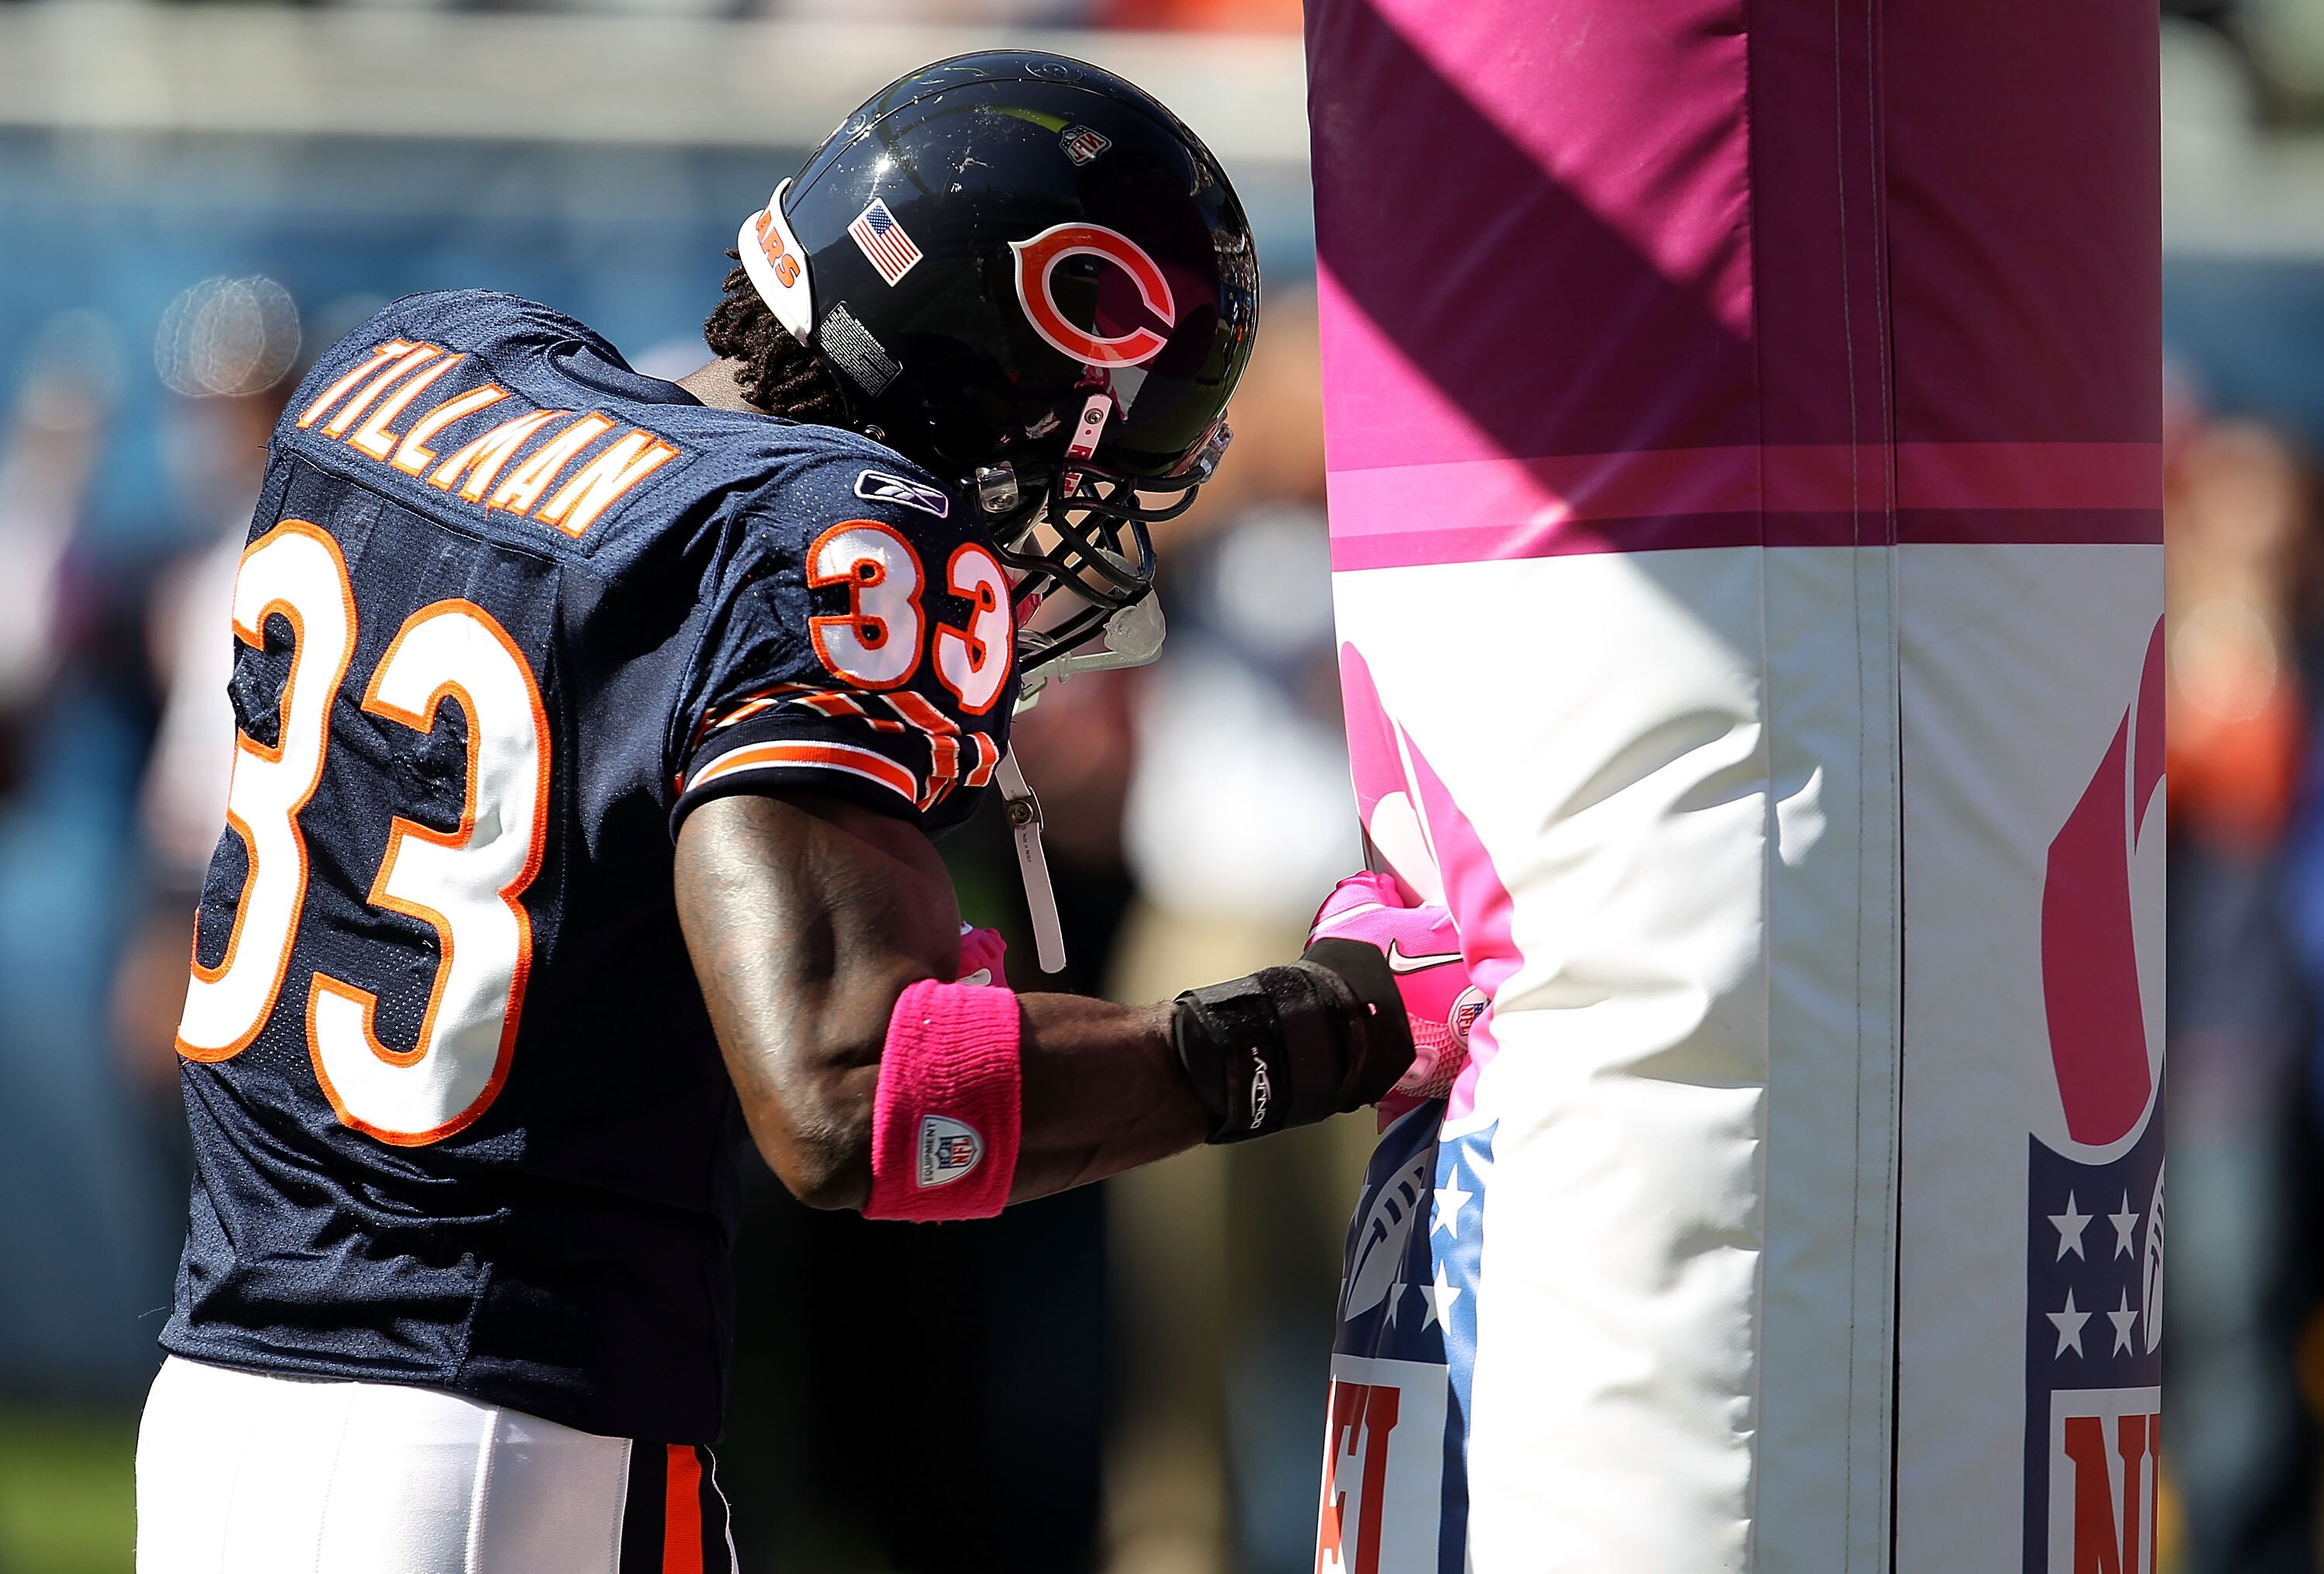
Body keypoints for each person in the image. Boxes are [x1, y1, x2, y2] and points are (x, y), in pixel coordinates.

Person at [133, 53, 1468, 1572]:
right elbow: (866, 1100)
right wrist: (1327, 1028)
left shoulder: (412, 363)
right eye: (1073, 484)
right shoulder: (811, 536)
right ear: (980, 390)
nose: (1063, 540)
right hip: (507, 1437)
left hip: (219, 1398)